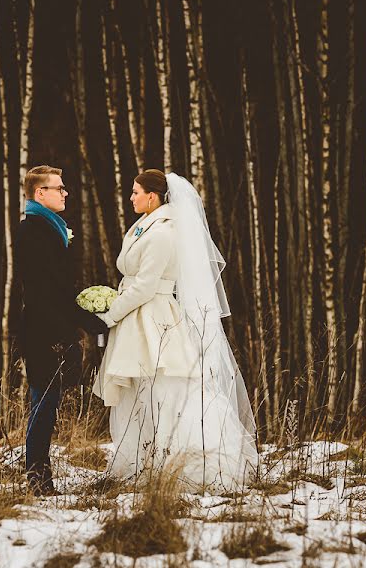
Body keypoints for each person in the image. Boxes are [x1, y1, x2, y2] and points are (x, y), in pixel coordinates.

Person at [92, 169, 258, 492]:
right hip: (138, 318)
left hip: (155, 319)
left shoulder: (164, 232)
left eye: (136, 192)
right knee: (142, 393)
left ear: (152, 196)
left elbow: (145, 286)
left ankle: (184, 463)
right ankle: (145, 462)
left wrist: (109, 314)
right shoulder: (144, 227)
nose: (131, 197)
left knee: (165, 390)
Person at [14, 165, 108, 495]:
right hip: (44, 331)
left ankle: (40, 478)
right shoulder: (33, 232)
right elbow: (47, 291)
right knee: (43, 405)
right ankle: (38, 481)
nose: (65, 192)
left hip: (52, 327)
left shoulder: (49, 228)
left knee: (46, 404)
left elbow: (60, 287)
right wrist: (84, 324)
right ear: (40, 193)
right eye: (59, 187)